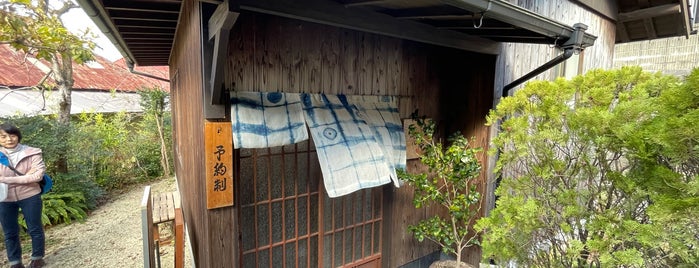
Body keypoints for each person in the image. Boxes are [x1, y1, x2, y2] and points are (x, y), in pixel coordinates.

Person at [0, 123, 46, 268]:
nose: (9, 139)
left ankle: (37, 257)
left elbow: (37, 176)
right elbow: (29, 176)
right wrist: (26, 177)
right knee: (10, 232)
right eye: (3, 136)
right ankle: (15, 262)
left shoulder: (32, 152)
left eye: (12, 135)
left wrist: (6, 179)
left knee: (34, 227)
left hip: (30, 195)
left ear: (18, 136)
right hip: (4, 198)